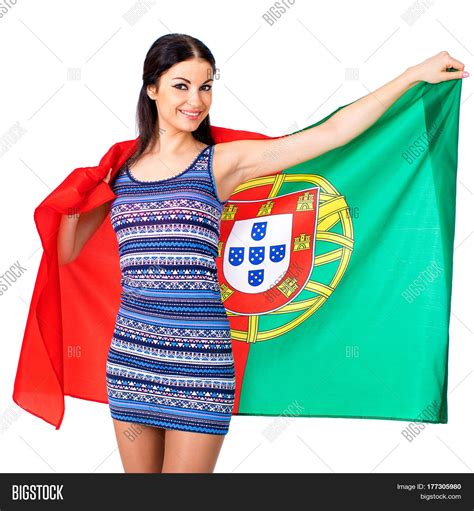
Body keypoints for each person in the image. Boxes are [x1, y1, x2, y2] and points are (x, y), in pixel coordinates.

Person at [57, 33, 467, 473]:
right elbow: (67, 252)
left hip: (200, 364)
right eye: (182, 85)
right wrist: (75, 197)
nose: (196, 100)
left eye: (206, 86)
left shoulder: (222, 163)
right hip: (132, 359)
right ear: (151, 88)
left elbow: (331, 135)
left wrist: (411, 76)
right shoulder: (119, 172)